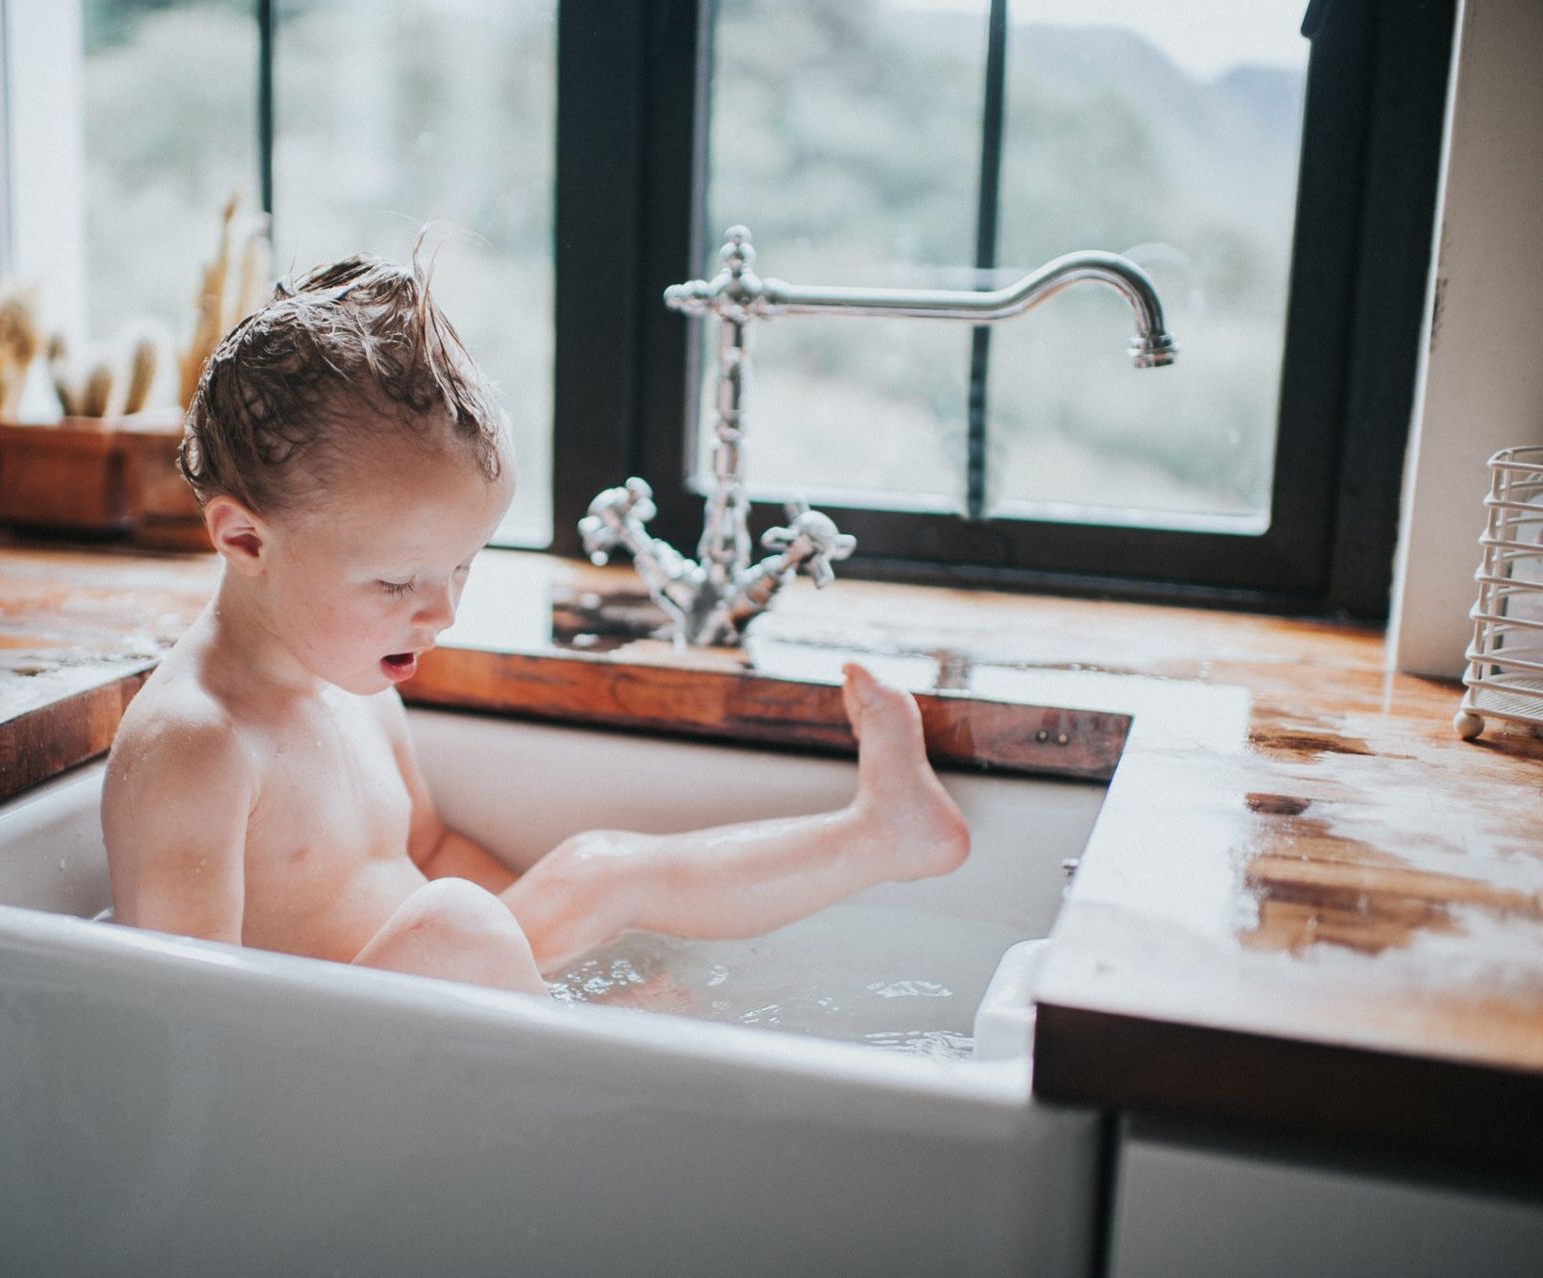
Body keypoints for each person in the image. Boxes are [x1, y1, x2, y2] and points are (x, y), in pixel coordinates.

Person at [101, 252, 970, 998]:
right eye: (400, 579)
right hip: (331, 1077)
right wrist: (513, 973)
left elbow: (432, 848)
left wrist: (575, 976)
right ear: (246, 538)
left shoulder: (347, 680)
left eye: (462, 568)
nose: (442, 611)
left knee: (598, 870)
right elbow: (189, 1029)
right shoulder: (199, 745)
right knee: (460, 924)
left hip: (432, 1015)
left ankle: (881, 835)